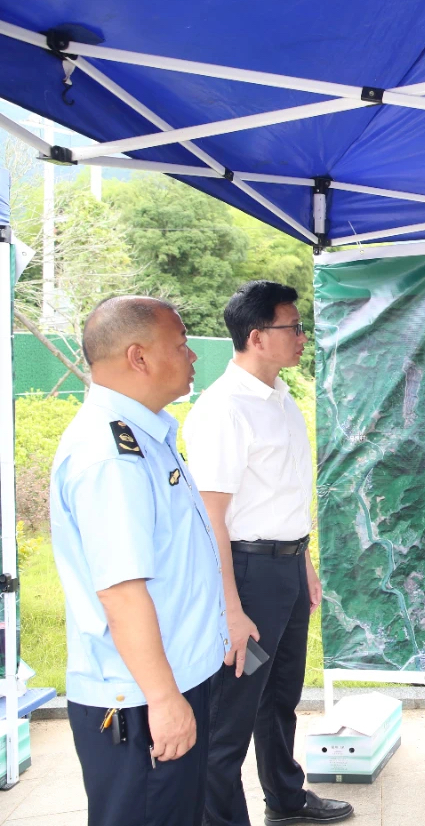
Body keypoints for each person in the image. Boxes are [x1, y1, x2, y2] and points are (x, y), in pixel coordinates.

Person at [50, 296, 229, 825]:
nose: (192, 356)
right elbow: (121, 592)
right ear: (139, 357)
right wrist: (165, 699)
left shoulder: (146, 435)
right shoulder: (111, 456)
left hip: (168, 681)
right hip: (141, 699)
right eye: (181, 344)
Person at [183, 281, 352, 825]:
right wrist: (231, 609)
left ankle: (285, 798)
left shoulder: (279, 397)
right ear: (257, 337)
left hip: (286, 570)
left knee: (280, 695)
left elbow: (281, 497)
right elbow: (212, 519)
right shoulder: (224, 409)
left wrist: (304, 562)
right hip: (248, 576)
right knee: (231, 714)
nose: (303, 337)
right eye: (293, 328)